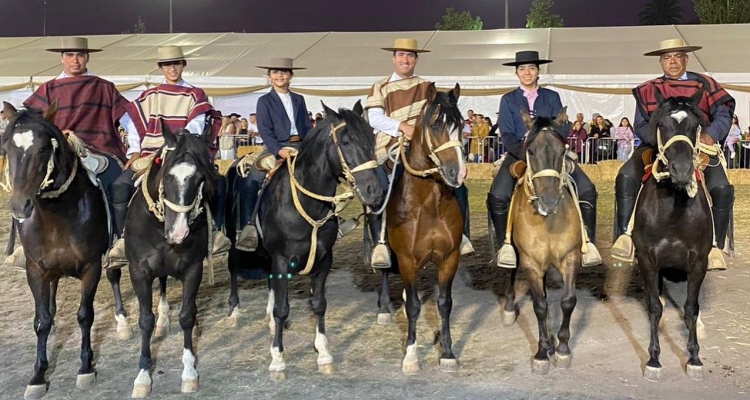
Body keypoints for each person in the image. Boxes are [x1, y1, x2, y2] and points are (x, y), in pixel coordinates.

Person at [612, 39, 735, 270]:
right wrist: (658, 141)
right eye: (667, 57)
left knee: (722, 188)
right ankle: (625, 236)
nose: (673, 61)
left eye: (678, 56)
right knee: (626, 176)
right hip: (657, 145)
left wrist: (710, 134)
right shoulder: (648, 89)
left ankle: (715, 246)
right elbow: (640, 124)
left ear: (686, 59)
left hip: (699, 146)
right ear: (661, 62)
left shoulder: (706, 85)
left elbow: (723, 115)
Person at [109, 45, 230, 266]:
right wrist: (135, 150)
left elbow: (196, 125)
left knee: (218, 183)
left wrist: (181, 146)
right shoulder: (149, 95)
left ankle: (216, 233)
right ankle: (123, 238)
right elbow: (135, 125)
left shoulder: (195, 94)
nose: (172, 68)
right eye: (167, 65)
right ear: (161, 68)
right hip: (151, 152)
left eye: (176, 63)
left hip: (185, 152)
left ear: (183, 65)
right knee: (119, 186)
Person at [17, 37, 130, 267]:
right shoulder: (47, 89)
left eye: (79, 55)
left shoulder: (103, 87)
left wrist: (135, 150)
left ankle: (121, 239)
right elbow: (33, 125)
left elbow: (127, 120)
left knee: (115, 179)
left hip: (97, 148)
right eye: (69, 55)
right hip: (56, 152)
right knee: (25, 182)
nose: (75, 60)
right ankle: (24, 245)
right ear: (62, 58)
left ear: (87, 57)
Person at [364, 38, 474, 269]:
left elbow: (439, 114)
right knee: (378, 190)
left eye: (410, 56)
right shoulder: (380, 86)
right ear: (393, 58)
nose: (405, 60)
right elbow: (373, 117)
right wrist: (400, 127)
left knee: (457, 185)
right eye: (401, 55)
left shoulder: (427, 87)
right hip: (391, 145)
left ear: (416, 59)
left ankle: (461, 234)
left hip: (423, 148)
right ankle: (381, 242)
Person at [488, 51, 601, 268]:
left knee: (587, 188)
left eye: (531, 68)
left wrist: (555, 140)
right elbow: (507, 134)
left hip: (551, 154)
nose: (527, 72)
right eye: (522, 69)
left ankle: (588, 242)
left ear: (538, 71)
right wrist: (527, 155)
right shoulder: (508, 99)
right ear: (516, 73)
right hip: (519, 154)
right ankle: (506, 245)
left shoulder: (552, 97)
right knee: (498, 195)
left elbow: (562, 126)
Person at [234, 58, 312, 251]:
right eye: (276, 72)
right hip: (275, 146)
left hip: (301, 144)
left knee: (324, 171)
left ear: (291, 76)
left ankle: (332, 217)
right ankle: (248, 226)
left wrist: (311, 146)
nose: (280, 75)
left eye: (284, 72)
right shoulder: (264, 101)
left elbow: (307, 126)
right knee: (253, 178)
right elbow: (265, 130)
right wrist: (278, 150)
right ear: (269, 76)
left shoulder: (299, 99)